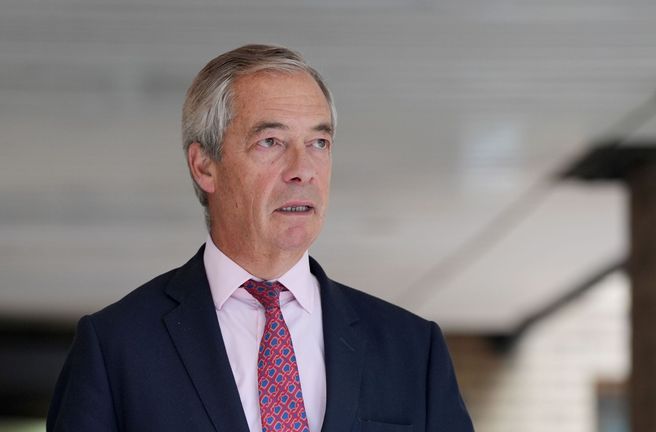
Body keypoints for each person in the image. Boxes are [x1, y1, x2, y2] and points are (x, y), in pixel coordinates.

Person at [47, 44, 474, 432]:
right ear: (204, 166)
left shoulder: (413, 350)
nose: (302, 169)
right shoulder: (116, 347)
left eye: (319, 142)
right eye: (271, 141)